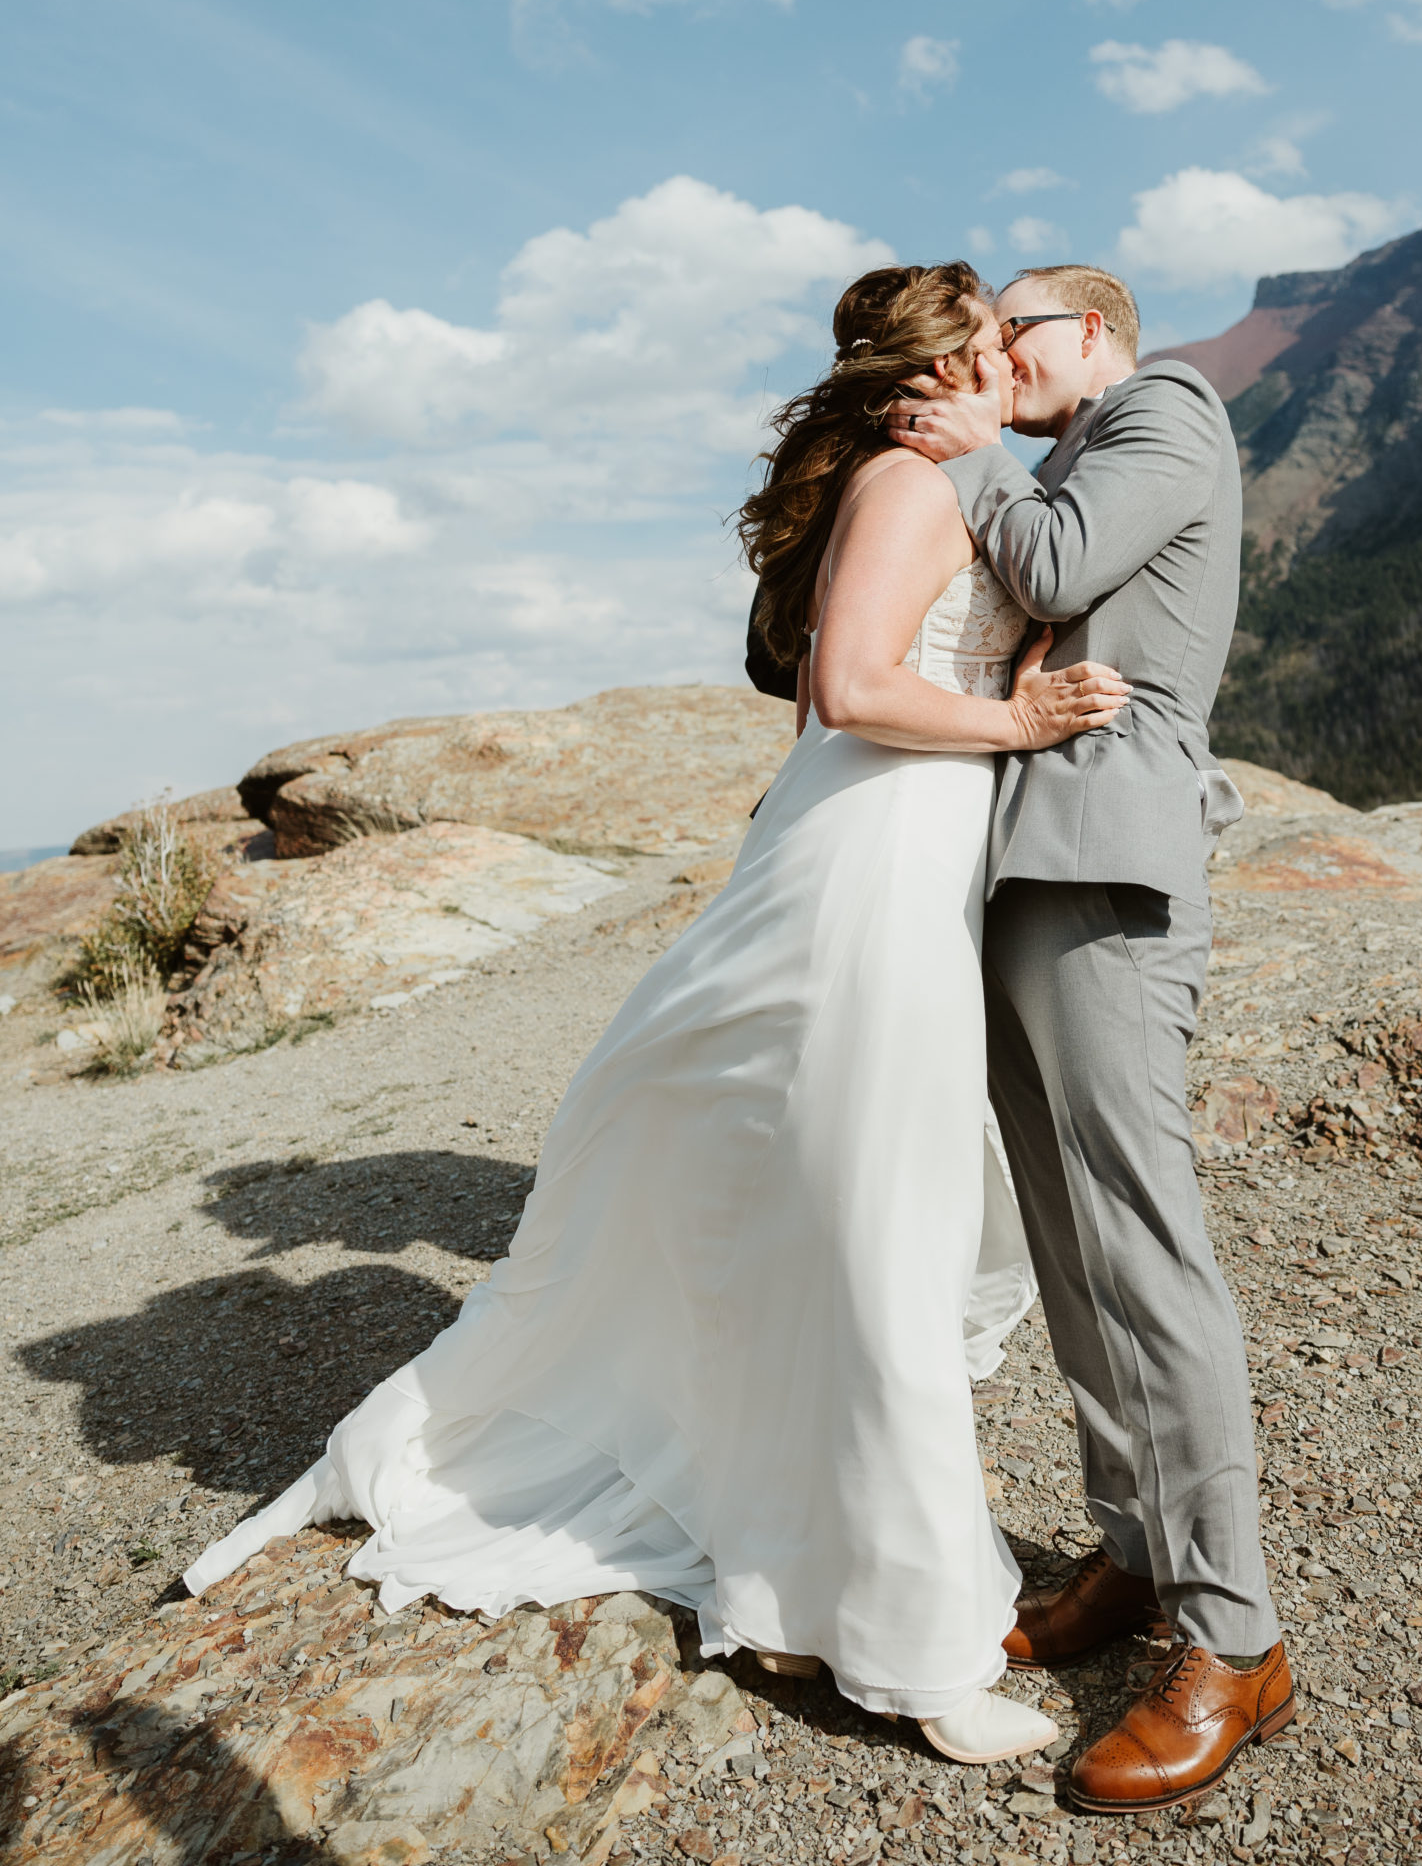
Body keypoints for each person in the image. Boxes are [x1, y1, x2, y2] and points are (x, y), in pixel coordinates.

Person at [183, 261, 1129, 1766]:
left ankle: (812, 1519)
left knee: (861, 1199)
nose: (1014, 354)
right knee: (875, 1217)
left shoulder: (964, 478)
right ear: (941, 365)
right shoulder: (910, 481)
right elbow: (847, 684)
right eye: (992, 336)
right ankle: (906, 1640)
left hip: (913, 843)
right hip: (874, 851)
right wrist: (1012, 719)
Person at [891, 263, 1294, 1817]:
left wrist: (961, 444)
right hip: (1016, 872)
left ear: (1099, 337)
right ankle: (1133, 1546)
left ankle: (1236, 1639)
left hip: (1111, 869)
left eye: (1018, 336)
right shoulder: (1057, 452)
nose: (995, 358)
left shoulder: (1167, 408)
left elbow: (1058, 567)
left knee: (1142, 1244)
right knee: (1065, 1241)